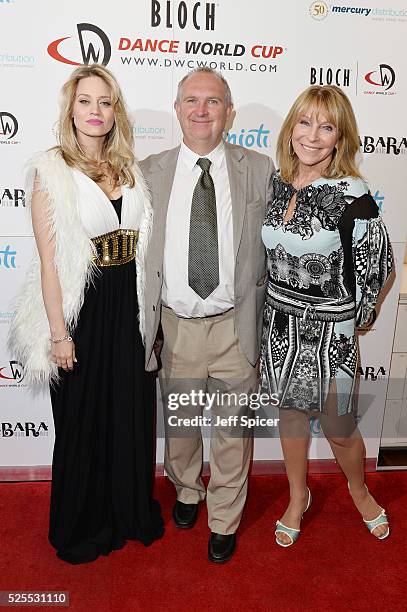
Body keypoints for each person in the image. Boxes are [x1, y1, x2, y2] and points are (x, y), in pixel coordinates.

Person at [9, 64, 164, 563]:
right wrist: (59, 333)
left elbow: (144, 251)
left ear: (115, 111)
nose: (95, 111)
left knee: (128, 414)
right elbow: (51, 263)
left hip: (130, 307)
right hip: (82, 309)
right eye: (85, 101)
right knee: (81, 419)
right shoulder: (50, 170)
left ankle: (126, 513)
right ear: (70, 109)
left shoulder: (131, 169)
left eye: (104, 102)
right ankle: (81, 525)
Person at [140, 67, 274, 563]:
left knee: (233, 432)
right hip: (174, 326)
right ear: (177, 110)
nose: (201, 110)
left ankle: (224, 516)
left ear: (229, 112)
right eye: (191, 100)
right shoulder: (148, 171)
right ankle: (187, 490)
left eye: (212, 101)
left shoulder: (259, 169)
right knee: (180, 424)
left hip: (236, 324)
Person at [260, 85, 393, 546]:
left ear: (340, 137)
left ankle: (358, 488)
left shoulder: (352, 194)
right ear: (291, 126)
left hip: (329, 330)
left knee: (338, 425)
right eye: (305, 122)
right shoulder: (275, 182)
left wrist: (362, 314)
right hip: (279, 324)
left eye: (327, 126)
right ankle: (298, 496)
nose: (313, 136)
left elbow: (380, 261)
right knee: (291, 416)